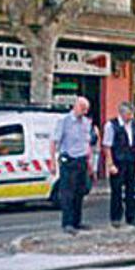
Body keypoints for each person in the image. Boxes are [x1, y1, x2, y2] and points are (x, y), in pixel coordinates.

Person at [51, 97, 94, 235]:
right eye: (83, 108)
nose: (85, 111)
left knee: (80, 192)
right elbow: (54, 142)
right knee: (67, 193)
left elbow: (87, 143)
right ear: (75, 106)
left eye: (86, 109)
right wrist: (52, 161)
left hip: (82, 160)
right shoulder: (64, 122)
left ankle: (77, 221)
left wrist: (90, 161)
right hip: (69, 160)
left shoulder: (86, 123)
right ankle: (67, 223)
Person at [103, 102, 135, 228]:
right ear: (122, 113)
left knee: (131, 190)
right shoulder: (111, 125)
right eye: (129, 114)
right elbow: (107, 146)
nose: (131, 117)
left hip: (130, 160)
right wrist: (110, 164)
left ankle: (131, 217)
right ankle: (116, 218)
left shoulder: (134, 126)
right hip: (118, 161)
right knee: (116, 191)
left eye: (132, 114)